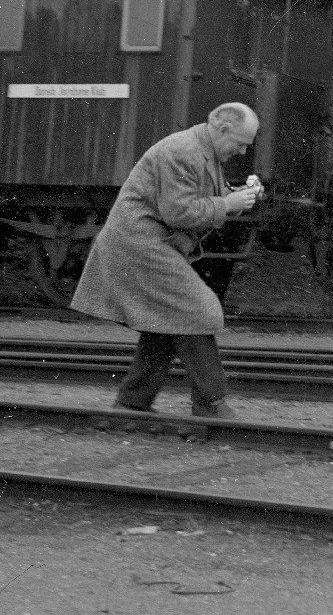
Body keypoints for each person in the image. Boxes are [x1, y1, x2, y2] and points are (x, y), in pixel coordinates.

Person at [71, 103, 263, 417]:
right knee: (197, 307)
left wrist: (237, 198)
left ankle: (133, 402)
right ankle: (210, 404)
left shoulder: (205, 151)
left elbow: (199, 200)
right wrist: (227, 203)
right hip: (138, 244)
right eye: (240, 142)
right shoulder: (184, 150)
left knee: (165, 318)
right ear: (222, 128)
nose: (242, 152)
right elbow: (180, 212)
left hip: (149, 243)